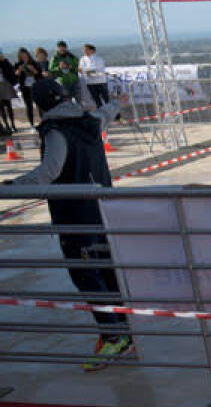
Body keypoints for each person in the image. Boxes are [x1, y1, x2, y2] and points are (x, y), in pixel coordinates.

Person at [6, 79, 133, 371]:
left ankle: (113, 335)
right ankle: (123, 332)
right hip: (103, 210)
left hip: (75, 213)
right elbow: (108, 111)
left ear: (39, 105)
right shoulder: (87, 120)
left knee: (86, 274)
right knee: (107, 271)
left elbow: (49, 171)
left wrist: (13, 185)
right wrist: (119, 102)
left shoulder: (56, 131)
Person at [13, 48, 41, 127]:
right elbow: (15, 76)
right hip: (25, 88)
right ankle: (32, 125)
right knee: (29, 107)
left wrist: (33, 69)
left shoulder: (33, 63)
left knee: (39, 105)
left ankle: (42, 121)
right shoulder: (18, 64)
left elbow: (39, 74)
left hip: (35, 87)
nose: (24, 57)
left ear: (28, 54)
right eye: (22, 56)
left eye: (25, 55)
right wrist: (19, 71)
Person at [78, 43, 109, 108]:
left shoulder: (98, 58)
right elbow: (80, 69)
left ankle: (116, 116)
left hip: (100, 81)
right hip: (89, 82)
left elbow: (97, 68)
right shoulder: (82, 59)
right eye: (84, 50)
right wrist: (86, 71)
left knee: (106, 99)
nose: (84, 51)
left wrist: (86, 70)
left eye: (86, 50)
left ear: (92, 50)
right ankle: (101, 114)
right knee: (96, 100)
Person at [0, 51, 16, 135]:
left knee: (9, 106)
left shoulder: (5, 62)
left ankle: (12, 124)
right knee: (1, 108)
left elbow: (10, 71)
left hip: (6, 85)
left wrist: (4, 61)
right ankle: (6, 125)